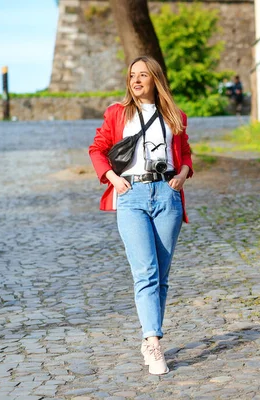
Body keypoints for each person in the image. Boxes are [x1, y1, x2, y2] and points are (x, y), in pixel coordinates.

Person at [88, 55, 193, 375]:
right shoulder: (117, 114)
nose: (135, 80)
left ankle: (151, 334)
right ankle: (153, 341)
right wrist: (111, 178)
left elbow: (185, 151)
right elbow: (97, 148)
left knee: (161, 275)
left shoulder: (175, 115)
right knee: (145, 271)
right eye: (132, 75)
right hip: (131, 196)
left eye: (143, 75)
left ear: (155, 79)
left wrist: (183, 174)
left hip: (167, 195)